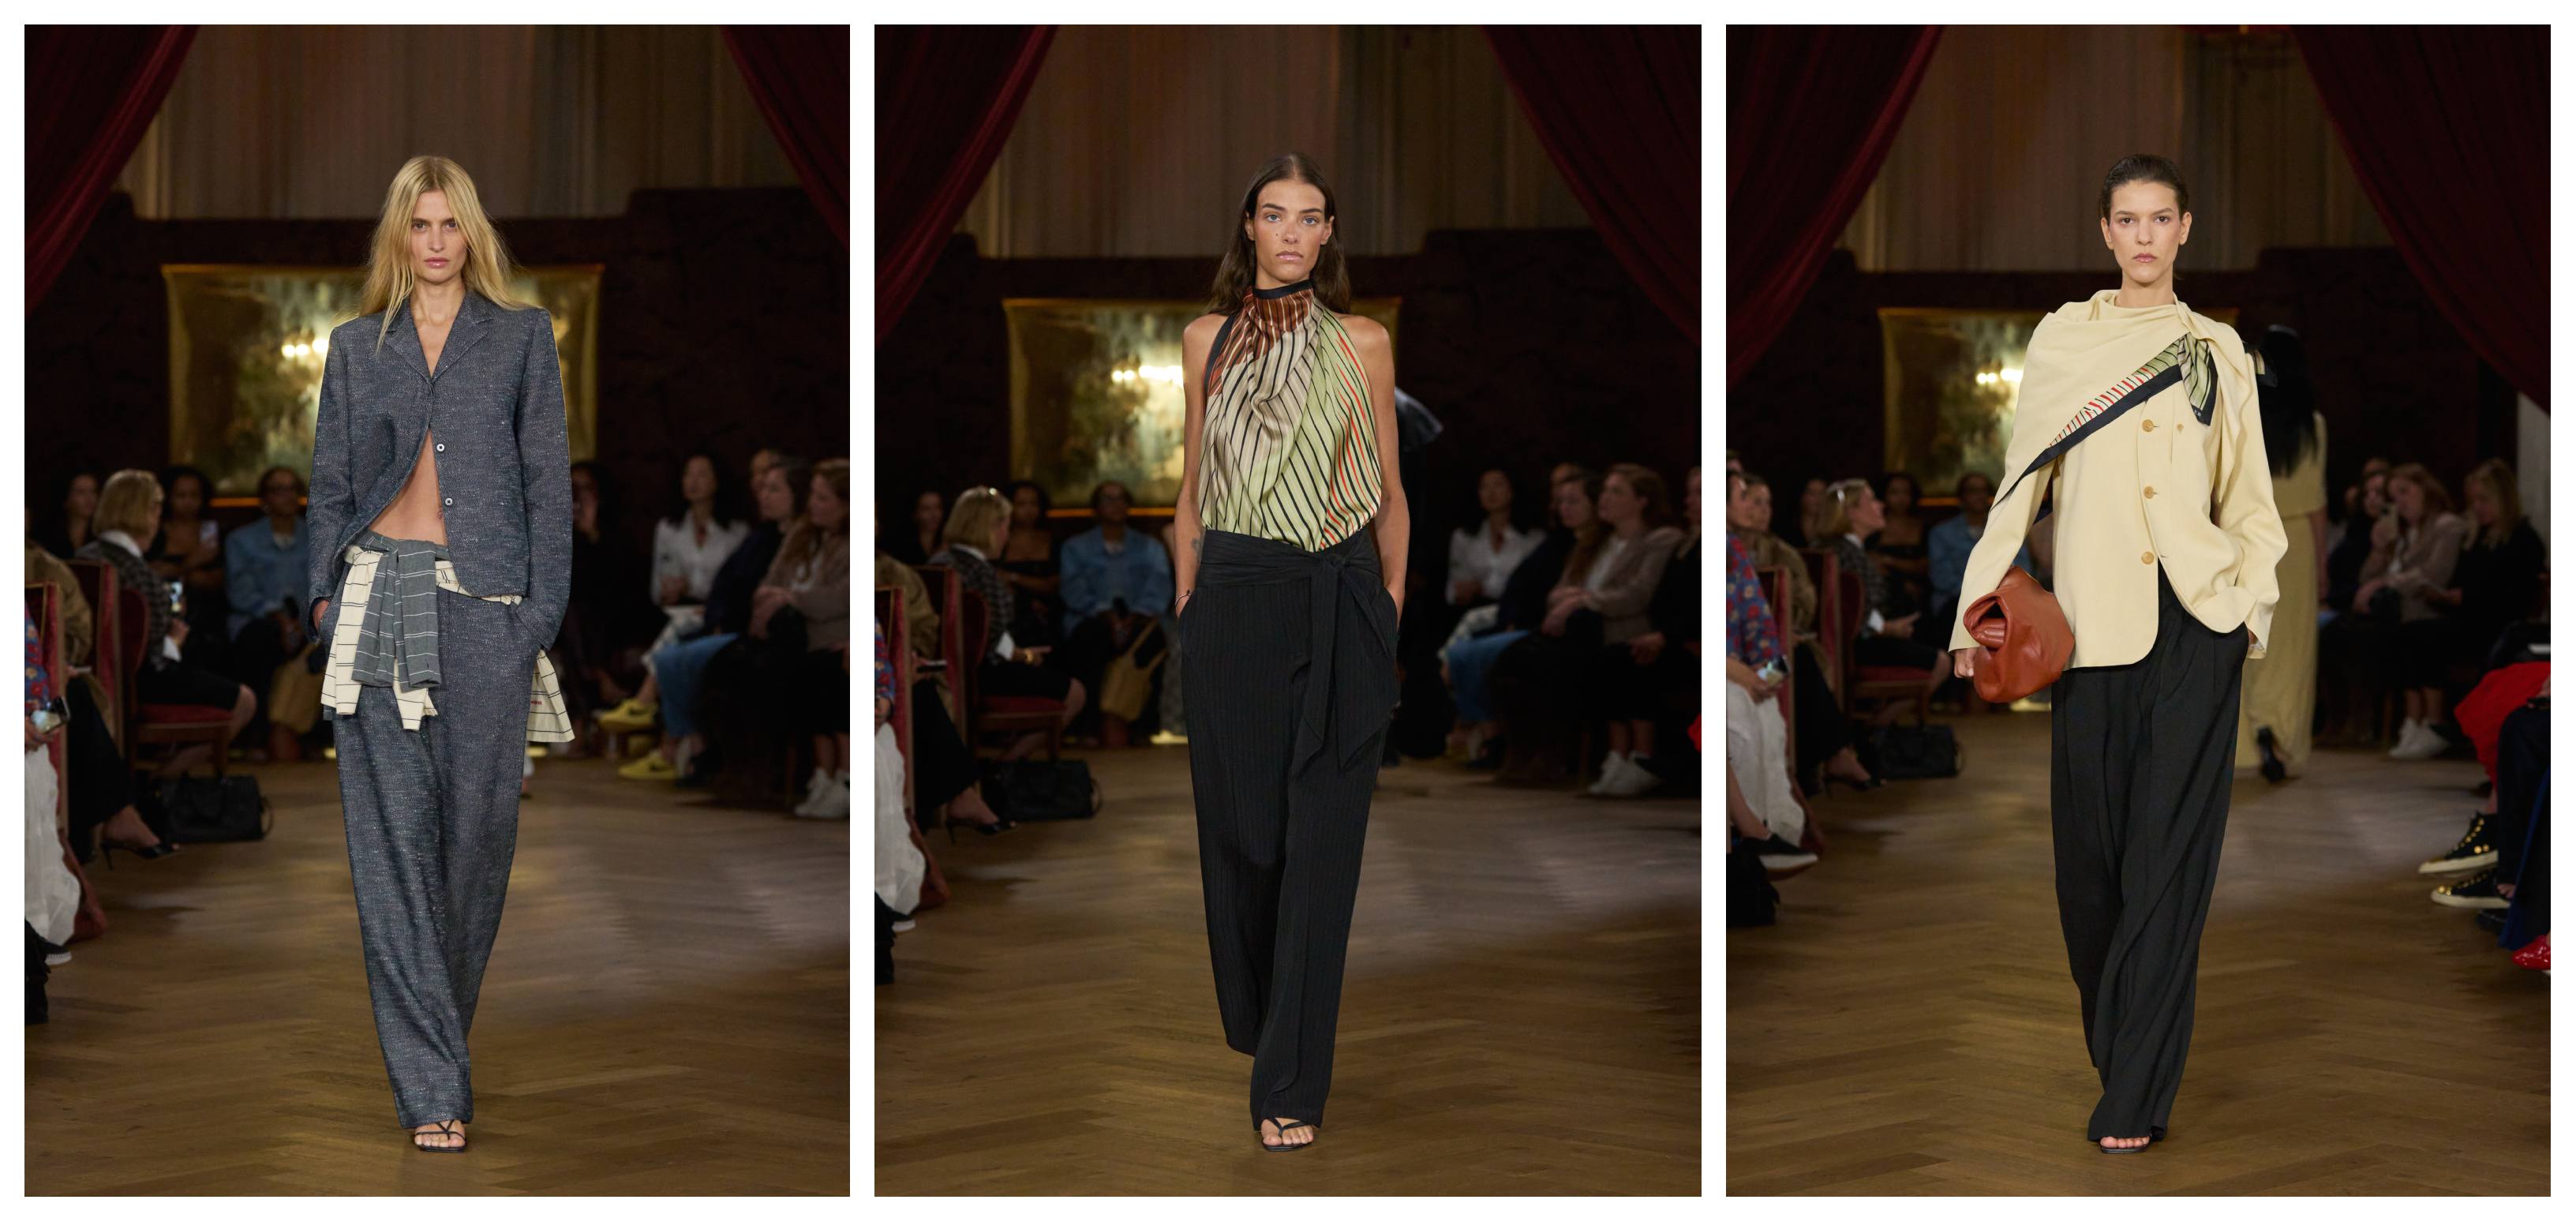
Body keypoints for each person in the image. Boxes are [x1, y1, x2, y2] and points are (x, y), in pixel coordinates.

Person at [1946, 155, 2285, 1153]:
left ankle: (2132, 1089)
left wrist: (2246, 614)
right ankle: (2123, 1048)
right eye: (2126, 220)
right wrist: (1974, 613)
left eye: (2161, 219)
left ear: (2187, 229)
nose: (2144, 236)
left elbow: (2252, 505)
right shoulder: (2064, 341)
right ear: (2104, 233)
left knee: (2169, 863)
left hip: (2196, 624)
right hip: (2092, 634)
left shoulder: (2220, 352)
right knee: (2090, 874)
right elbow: (2019, 488)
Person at [302, 156, 577, 1153]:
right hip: (377, 597)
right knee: (391, 853)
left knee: (476, 847)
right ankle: (430, 1087)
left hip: (488, 612)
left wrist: (536, 616)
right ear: (397, 236)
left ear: (472, 235)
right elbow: (329, 485)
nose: (434, 241)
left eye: (450, 224)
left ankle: (435, 1049)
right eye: (418, 224)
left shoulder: (519, 338)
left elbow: (550, 484)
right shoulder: (354, 346)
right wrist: (327, 600)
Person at [1174, 152, 1404, 1153]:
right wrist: (1188, 597)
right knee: (1245, 841)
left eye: (1312, 217)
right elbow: (1192, 484)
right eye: (1276, 215)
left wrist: (1387, 609)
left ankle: (1291, 1082)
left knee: (1322, 850)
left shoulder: (1364, 341)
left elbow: (1392, 491)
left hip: (1340, 592)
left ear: (1328, 234)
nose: (1294, 232)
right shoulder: (1203, 341)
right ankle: (1263, 1018)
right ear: (1251, 229)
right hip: (1230, 598)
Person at [75, 470, 259, 774]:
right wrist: (175, 640)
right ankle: (162, 783)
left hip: (94, 679)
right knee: (245, 701)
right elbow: (152, 658)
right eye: (156, 509)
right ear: (145, 513)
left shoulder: (84, 556)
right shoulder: (139, 573)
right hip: (140, 682)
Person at [1728, 471, 1877, 792]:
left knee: (1786, 666)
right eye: (1753, 501)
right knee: (1789, 666)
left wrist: (1783, 631)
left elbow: (1803, 605)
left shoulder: (1782, 552)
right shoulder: (1717, 552)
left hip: (1775, 648)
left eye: (1768, 503)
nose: (1762, 510)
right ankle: (1826, 755)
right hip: (1728, 658)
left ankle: (1805, 763)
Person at [927, 486, 1087, 758]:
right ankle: (1006, 767)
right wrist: (1026, 657)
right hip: (981, 674)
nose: (1007, 535)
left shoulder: (938, 561)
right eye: (1006, 526)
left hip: (947, 670)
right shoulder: (982, 572)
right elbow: (992, 641)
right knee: (1076, 693)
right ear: (990, 526)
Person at [2234, 327, 2327, 782]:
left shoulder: (2243, 416)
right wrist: (2324, 568)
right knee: (2293, 650)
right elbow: (2316, 504)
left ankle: (2253, 735)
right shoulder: (2313, 425)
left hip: (2248, 540)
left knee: (2249, 640)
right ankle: (2283, 738)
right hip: (2297, 545)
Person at [758, 459, 853, 818]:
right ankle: (823, 775)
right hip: (801, 640)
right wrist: (778, 597)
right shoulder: (803, 535)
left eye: (823, 498)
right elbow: (770, 581)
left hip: (837, 639)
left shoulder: (855, 544)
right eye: (812, 495)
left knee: (829, 676)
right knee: (800, 679)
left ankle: (845, 778)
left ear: (845, 505)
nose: (813, 504)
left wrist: (793, 598)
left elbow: (840, 598)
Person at [2361, 463, 2469, 760]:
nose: (2400, 502)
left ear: (2426, 489)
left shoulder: (2446, 526)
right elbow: (2367, 578)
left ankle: (2432, 723)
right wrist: (2380, 548)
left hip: (2439, 612)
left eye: (2405, 492)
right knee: (2395, 636)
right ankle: (2413, 721)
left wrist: (2386, 582)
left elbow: (2435, 573)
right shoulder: (2404, 534)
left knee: (2418, 635)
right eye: (2394, 496)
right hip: (2408, 616)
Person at [1822, 478, 1944, 718]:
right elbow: (1848, 611)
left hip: (1860, 639)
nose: (1881, 506)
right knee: (1942, 662)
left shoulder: (1851, 550)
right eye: (1872, 501)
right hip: (1853, 646)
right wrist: (1888, 628)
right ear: (1852, 512)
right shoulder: (1842, 553)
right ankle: (1877, 729)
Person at [223, 465, 316, 760]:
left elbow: (324, 584)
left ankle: (300, 738)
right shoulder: (241, 540)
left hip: (307, 623)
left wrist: (301, 622)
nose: (286, 496)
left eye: (291, 488)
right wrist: (279, 619)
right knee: (263, 640)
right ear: (264, 497)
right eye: (277, 489)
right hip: (257, 621)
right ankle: (258, 736)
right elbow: (241, 593)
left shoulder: (315, 536)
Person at [1924, 471, 2032, 651]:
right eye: (1973, 490)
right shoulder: (1942, 533)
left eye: (1984, 491)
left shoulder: (2006, 530)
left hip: (2002, 600)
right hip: (1956, 602)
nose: (1979, 496)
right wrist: (1980, 595)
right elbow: (1941, 577)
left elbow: (2023, 569)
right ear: (1962, 497)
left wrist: (1994, 594)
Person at [150, 465, 231, 670]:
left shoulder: (211, 532)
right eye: (181, 495)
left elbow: (220, 578)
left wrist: (177, 571)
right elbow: (152, 572)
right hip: (166, 613)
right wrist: (192, 563)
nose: (188, 502)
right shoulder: (155, 531)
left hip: (210, 616)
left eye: (194, 495)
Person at [1447, 468, 1539, 608]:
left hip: (1517, 611)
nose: (1491, 492)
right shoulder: (1463, 536)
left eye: (1498, 484)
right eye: (1484, 487)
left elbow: (1531, 587)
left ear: (1512, 490)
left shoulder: (1533, 538)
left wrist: (1483, 589)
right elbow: (1455, 586)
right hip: (1470, 610)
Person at [996, 480, 1065, 651]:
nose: (1029, 510)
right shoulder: (998, 541)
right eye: (1021, 504)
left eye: (1034, 503)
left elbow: (1055, 585)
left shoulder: (1053, 541)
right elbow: (995, 578)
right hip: (1011, 620)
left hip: (1050, 618)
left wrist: (1014, 578)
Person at [1867, 471, 1930, 620]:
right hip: (1883, 599)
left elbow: (1926, 567)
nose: (1901, 499)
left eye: (1906, 493)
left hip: (1919, 598)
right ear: (1884, 495)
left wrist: (1888, 561)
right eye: (1894, 492)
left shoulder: (1924, 528)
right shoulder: (1873, 528)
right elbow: (1870, 561)